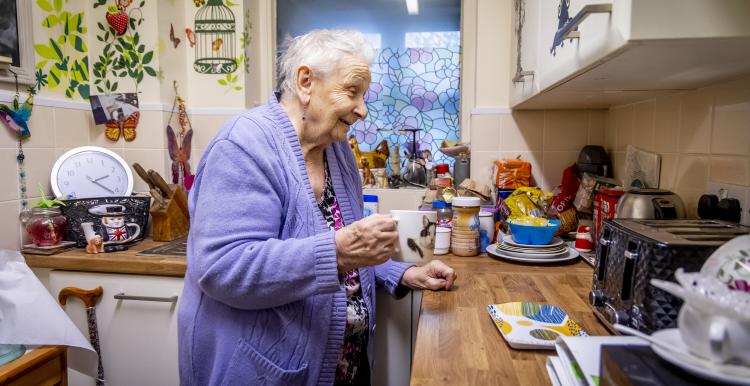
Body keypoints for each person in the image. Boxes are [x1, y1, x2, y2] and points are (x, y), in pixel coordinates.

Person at [178, 29, 457, 386]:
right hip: (263, 373)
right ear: (305, 81)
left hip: (343, 366)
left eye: (364, 95)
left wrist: (399, 272)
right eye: (352, 92)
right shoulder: (244, 144)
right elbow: (222, 267)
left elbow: (347, 250)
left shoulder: (336, 150)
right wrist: (338, 252)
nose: (363, 109)